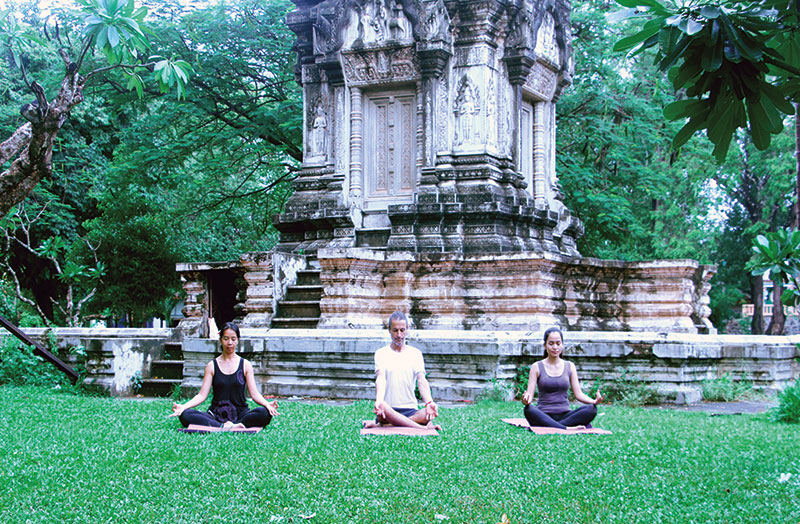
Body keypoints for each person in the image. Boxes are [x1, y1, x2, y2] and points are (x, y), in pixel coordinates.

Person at [169, 322, 279, 430]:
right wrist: (183, 407)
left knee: (264, 413)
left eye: (233, 339)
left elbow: (254, 394)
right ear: (220, 340)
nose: (229, 343)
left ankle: (232, 425)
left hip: (241, 415)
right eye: (226, 339)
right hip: (215, 415)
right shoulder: (212, 366)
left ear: (238, 340)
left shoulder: (245, 365)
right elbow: (202, 395)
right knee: (186, 414)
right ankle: (224, 427)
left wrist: (267, 404)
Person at [363, 311, 441, 431]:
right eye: (395, 330)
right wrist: (379, 400)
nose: (399, 335)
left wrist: (429, 402)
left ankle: (384, 426)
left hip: (410, 410)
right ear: (389, 329)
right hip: (388, 411)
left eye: (402, 330)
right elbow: (381, 378)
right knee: (383, 406)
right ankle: (423, 428)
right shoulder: (381, 353)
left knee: (427, 413)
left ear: (407, 329)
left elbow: (421, 380)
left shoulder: (416, 354)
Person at [521, 327, 603, 430]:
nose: (555, 347)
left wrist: (594, 401)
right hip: (543, 415)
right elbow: (530, 395)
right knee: (528, 410)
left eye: (558, 343)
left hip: (565, 415)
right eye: (551, 344)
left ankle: (554, 426)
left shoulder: (570, 366)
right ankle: (566, 428)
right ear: (544, 346)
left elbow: (579, 394)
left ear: (562, 345)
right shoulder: (536, 366)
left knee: (592, 409)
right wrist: (526, 400)